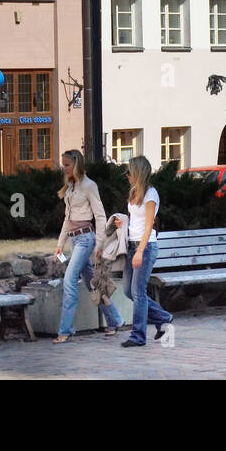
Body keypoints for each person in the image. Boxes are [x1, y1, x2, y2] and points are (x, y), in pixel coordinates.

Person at [53, 149, 123, 343]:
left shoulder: (89, 186)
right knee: (93, 284)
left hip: (86, 240)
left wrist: (99, 244)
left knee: (69, 281)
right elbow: (67, 220)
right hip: (75, 241)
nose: (64, 168)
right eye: (63, 164)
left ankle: (65, 330)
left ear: (76, 164)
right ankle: (115, 319)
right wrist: (60, 244)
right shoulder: (70, 187)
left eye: (67, 164)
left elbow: (100, 216)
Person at [116, 156, 172, 348]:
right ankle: (164, 317)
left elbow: (148, 226)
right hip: (132, 245)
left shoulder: (151, 194)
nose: (127, 175)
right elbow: (135, 221)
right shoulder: (134, 192)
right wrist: (122, 223)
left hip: (145, 247)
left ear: (138, 173)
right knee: (128, 291)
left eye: (129, 172)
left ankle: (138, 336)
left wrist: (140, 251)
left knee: (138, 292)